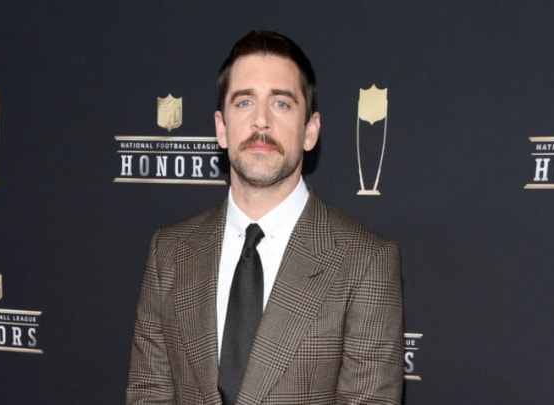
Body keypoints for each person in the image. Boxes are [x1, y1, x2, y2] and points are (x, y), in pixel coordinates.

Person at [127, 30, 403, 404]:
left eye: (281, 104)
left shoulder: (365, 262)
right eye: (244, 102)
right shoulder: (169, 252)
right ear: (221, 128)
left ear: (310, 130)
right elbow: (148, 394)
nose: (261, 121)